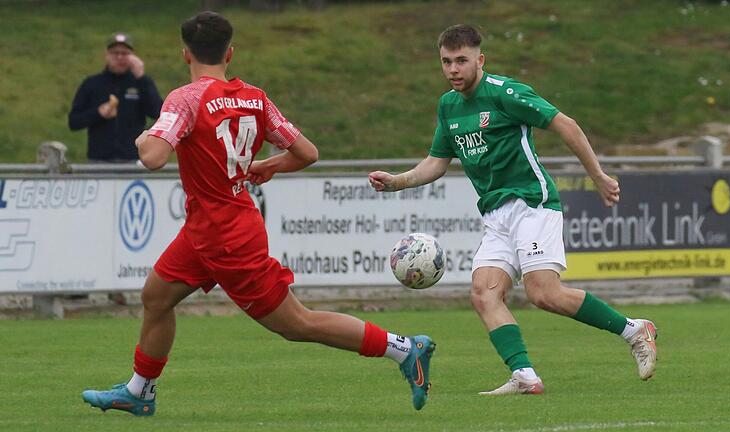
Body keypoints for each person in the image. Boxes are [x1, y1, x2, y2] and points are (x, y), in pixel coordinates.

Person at [81, 11, 435, 415]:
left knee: (297, 324)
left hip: (225, 238)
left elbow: (154, 157)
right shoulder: (254, 97)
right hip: (211, 228)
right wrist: (271, 164)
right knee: (156, 296)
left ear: (185, 54)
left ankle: (405, 349)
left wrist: (144, 136)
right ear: (229, 52)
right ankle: (140, 391)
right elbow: (307, 153)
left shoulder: (186, 98)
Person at [369, 24, 657, 395]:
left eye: (461, 60)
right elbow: (437, 162)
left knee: (543, 294)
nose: (453, 69)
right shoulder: (448, 106)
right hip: (495, 216)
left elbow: (565, 125)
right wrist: (397, 181)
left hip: (531, 204)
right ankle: (524, 375)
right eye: (446, 62)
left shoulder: (506, 93)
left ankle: (634, 330)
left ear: (480, 59)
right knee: (483, 294)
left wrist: (598, 176)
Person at [68, 33, 163, 162]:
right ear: (107, 55)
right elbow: (74, 122)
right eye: (115, 53)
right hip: (99, 160)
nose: (119, 57)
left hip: (132, 159)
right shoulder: (92, 84)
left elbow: (158, 112)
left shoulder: (141, 83)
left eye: (125, 53)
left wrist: (142, 78)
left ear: (133, 56)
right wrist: (98, 113)